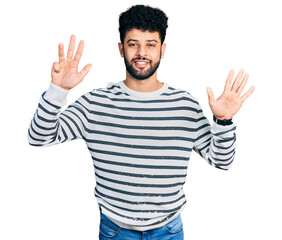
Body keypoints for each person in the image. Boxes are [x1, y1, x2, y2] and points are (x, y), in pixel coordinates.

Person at [28, 4, 255, 240]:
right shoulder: (95, 103)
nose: (141, 53)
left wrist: (223, 120)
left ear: (162, 50)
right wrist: (58, 90)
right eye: (133, 43)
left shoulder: (185, 105)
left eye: (150, 44)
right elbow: (39, 137)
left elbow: (221, 161)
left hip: (168, 231)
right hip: (115, 231)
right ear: (121, 48)